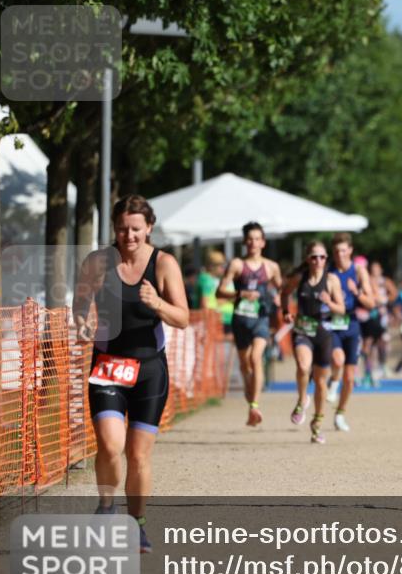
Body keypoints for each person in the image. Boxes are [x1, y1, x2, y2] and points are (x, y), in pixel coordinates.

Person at [73, 195, 189, 553]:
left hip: (149, 371)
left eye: (136, 228)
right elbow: (80, 305)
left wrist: (158, 303)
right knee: (110, 445)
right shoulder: (97, 262)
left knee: (138, 455)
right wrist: (82, 323)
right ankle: (106, 507)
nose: (129, 235)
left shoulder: (164, 264)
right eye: (122, 228)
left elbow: (183, 318)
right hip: (108, 366)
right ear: (114, 228)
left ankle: (137, 524)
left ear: (149, 227)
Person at [215, 222, 282, 427]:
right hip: (241, 320)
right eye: (250, 239)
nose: (253, 243)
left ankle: (254, 406)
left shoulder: (271, 267)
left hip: (261, 319)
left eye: (257, 239)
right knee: (245, 364)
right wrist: (240, 293)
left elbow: (283, 290)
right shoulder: (237, 264)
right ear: (245, 241)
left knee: (255, 358)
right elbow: (219, 292)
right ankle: (249, 390)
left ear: (263, 242)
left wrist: (279, 301)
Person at [280, 241, 346, 444]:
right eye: (314, 257)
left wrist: (329, 302)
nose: (318, 260)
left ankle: (317, 423)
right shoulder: (299, 278)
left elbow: (342, 309)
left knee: (320, 381)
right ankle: (302, 399)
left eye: (322, 257)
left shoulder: (332, 280)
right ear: (308, 259)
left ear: (326, 259)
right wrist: (286, 312)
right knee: (303, 366)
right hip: (302, 330)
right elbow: (284, 293)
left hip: (324, 333)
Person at [326, 233, 374, 431]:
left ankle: (340, 413)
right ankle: (333, 382)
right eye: (337, 251)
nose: (340, 254)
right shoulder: (327, 270)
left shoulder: (359, 271)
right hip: (331, 323)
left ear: (350, 250)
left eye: (344, 250)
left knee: (350, 377)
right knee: (337, 360)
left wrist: (356, 292)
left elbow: (371, 303)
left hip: (352, 324)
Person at [360, 261, 397, 387]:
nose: (374, 271)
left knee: (382, 342)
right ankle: (368, 373)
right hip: (368, 315)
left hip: (382, 317)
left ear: (380, 270)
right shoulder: (367, 280)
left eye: (376, 269)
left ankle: (381, 366)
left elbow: (394, 293)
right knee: (367, 346)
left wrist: (385, 300)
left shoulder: (385, 281)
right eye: (372, 269)